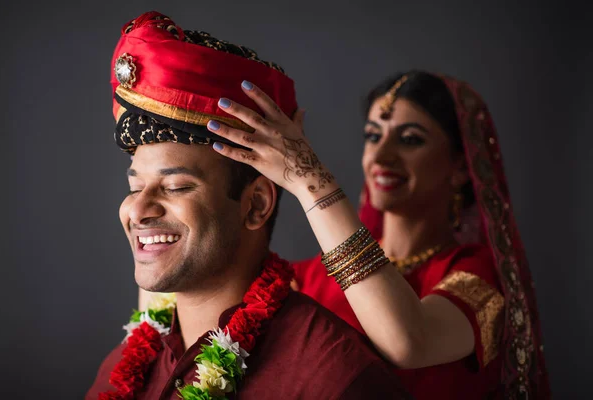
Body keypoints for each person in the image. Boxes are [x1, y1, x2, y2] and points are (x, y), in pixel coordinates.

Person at [86, 11, 411, 400]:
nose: (137, 210)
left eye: (174, 186)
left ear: (256, 205)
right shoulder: (124, 367)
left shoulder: (331, 378)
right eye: (135, 185)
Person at [206, 70, 551, 399]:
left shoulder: (478, 277)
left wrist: (310, 182)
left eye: (410, 140)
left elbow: (408, 342)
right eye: (373, 136)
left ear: (461, 166)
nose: (381, 156)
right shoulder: (308, 279)